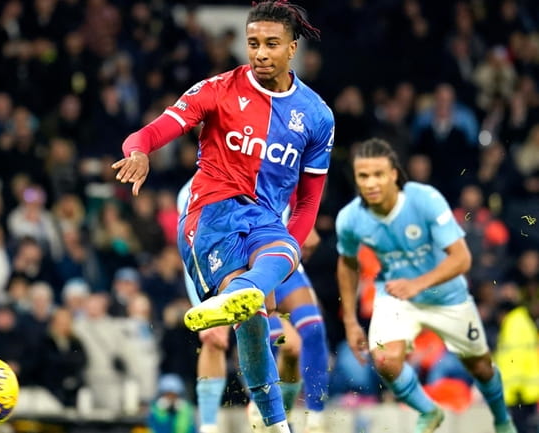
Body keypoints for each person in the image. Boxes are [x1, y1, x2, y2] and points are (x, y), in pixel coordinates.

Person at [113, 2, 333, 431]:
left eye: (272, 44)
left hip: (266, 220)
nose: (261, 53)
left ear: (292, 48)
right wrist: (137, 151)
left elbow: (307, 204)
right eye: (253, 43)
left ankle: (277, 422)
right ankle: (255, 422)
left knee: (271, 276)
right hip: (211, 215)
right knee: (251, 321)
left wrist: (286, 258)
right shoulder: (217, 89)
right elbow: (155, 130)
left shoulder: (318, 115)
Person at [335, 138, 517, 433]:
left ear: (394, 174)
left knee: (481, 366)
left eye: (378, 174)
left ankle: (501, 419)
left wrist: (417, 284)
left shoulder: (424, 199)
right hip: (397, 296)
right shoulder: (351, 218)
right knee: (384, 359)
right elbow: (347, 264)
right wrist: (350, 321)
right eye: (363, 176)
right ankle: (428, 411)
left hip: (445, 294)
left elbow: (461, 258)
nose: (370, 183)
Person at [178, 179, 330, 433]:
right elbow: (190, 250)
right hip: (234, 267)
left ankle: (307, 418)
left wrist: (302, 216)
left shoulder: (267, 159)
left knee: (304, 338)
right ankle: (211, 426)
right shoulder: (193, 189)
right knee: (216, 339)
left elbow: (300, 199)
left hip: (274, 256)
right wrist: (202, 300)